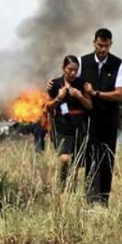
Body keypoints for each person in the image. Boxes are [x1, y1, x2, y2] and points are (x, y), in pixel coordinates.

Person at [80, 28, 122, 206]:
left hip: (108, 120)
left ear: (111, 45)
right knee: (90, 158)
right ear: (94, 43)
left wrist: (96, 94)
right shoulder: (82, 62)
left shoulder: (119, 65)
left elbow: (119, 94)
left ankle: (103, 200)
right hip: (88, 120)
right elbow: (70, 81)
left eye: (106, 46)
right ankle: (89, 199)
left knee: (107, 159)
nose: (103, 50)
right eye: (100, 45)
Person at [46, 55, 94, 184]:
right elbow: (48, 107)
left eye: (75, 70)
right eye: (69, 69)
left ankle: (70, 189)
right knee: (64, 159)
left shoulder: (82, 84)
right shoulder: (55, 84)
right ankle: (62, 182)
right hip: (61, 127)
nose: (72, 73)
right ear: (63, 68)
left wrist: (80, 97)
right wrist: (58, 98)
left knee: (76, 162)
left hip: (79, 128)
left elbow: (89, 105)